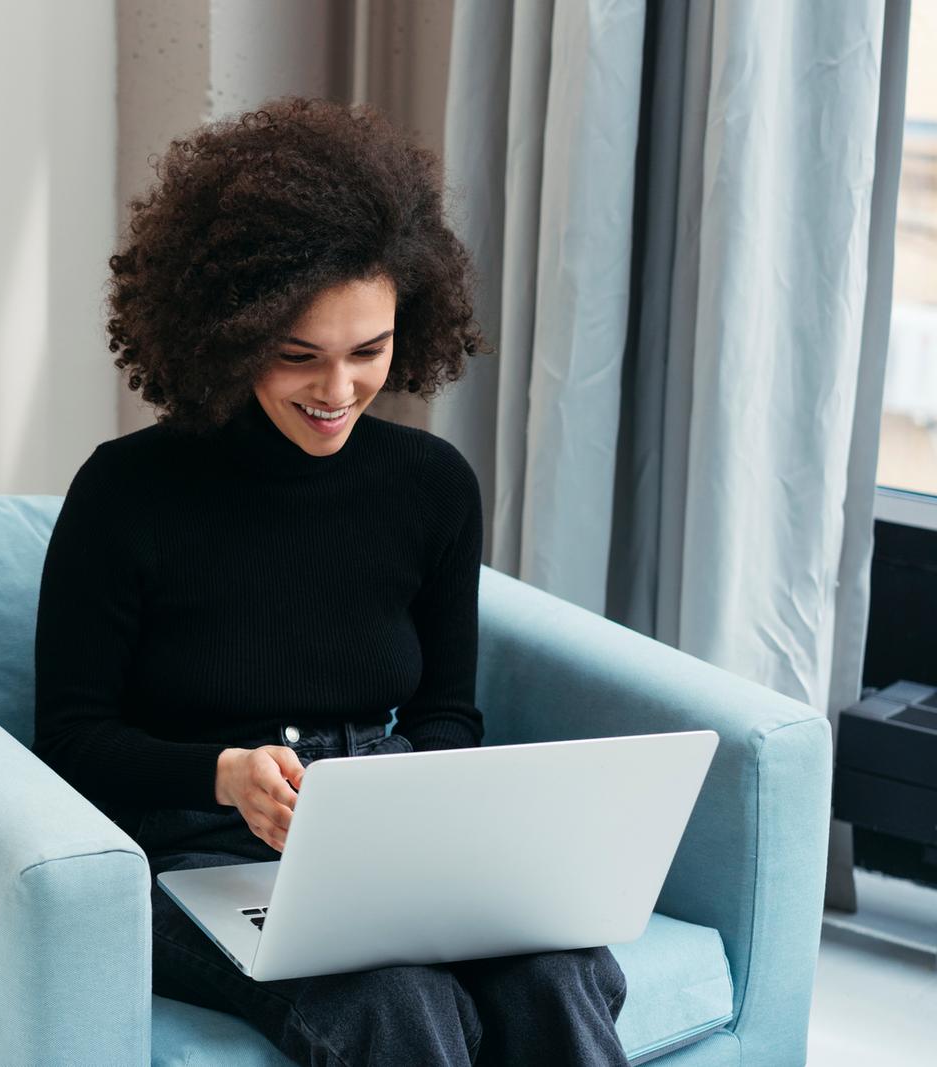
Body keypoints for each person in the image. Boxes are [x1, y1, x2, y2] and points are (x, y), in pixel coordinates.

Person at [32, 96, 630, 1067]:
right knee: (391, 999)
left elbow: (446, 711)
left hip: (385, 828)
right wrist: (222, 773)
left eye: (370, 350)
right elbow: (66, 739)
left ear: (412, 321)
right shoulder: (125, 492)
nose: (339, 389)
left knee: (555, 968)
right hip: (193, 846)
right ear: (229, 331)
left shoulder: (431, 485)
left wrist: (420, 809)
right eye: (297, 355)